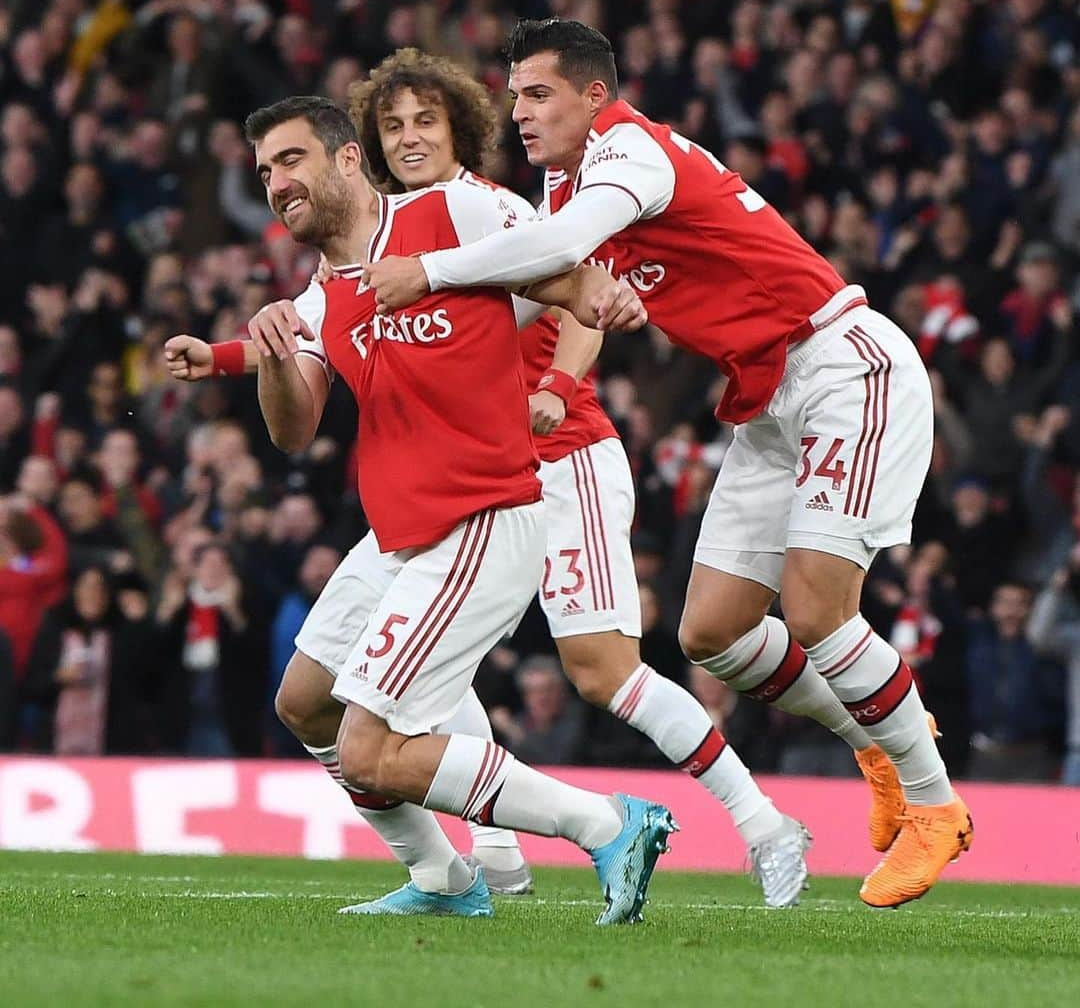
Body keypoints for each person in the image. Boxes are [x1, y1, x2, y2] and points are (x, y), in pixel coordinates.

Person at [167, 48, 811, 906]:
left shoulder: (465, 209)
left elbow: (580, 278)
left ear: (456, 129)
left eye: (425, 120)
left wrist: (557, 382)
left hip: (551, 457)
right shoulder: (341, 278)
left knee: (598, 668)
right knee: (322, 698)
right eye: (392, 123)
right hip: (429, 503)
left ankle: (749, 823)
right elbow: (299, 387)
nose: (408, 137)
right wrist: (235, 356)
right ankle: (462, 868)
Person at [362, 18, 973, 908]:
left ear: (594, 95)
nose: (520, 113)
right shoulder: (568, 177)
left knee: (815, 610)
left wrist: (431, 274)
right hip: (765, 400)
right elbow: (558, 290)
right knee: (711, 635)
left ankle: (935, 803)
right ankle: (877, 741)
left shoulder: (630, 156)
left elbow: (559, 252)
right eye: (516, 96)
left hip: (842, 364)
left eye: (538, 95)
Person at [197, 94, 674, 923]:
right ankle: (445, 880)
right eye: (265, 169)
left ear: (348, 159)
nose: (275, 182)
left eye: (291, 159)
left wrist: (601, 301)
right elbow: (293, 429)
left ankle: (607, 824)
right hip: (402, 534)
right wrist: (271, 355)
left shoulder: (453, 208)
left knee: (371, 750)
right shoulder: (324, 290)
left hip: (483, 516)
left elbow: (559, 266)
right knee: (304, 701)